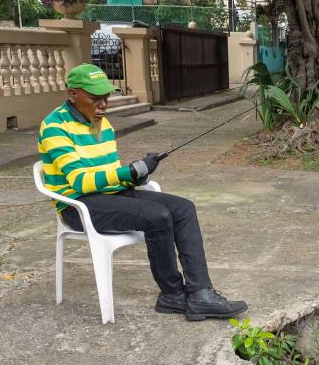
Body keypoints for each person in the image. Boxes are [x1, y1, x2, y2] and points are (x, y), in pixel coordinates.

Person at [37, 63, 247, 321]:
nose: (103, 105)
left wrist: (140, 174)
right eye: (95, 98)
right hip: (77, 206)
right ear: (73, 94)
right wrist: (129, 172)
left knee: (184, 208)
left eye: (106, 97)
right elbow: (81, 182)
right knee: (156, 216)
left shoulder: (102, 123)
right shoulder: (54, 127)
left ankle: (201, 292)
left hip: (109, 196)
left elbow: (109, 173)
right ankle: (172, 294)